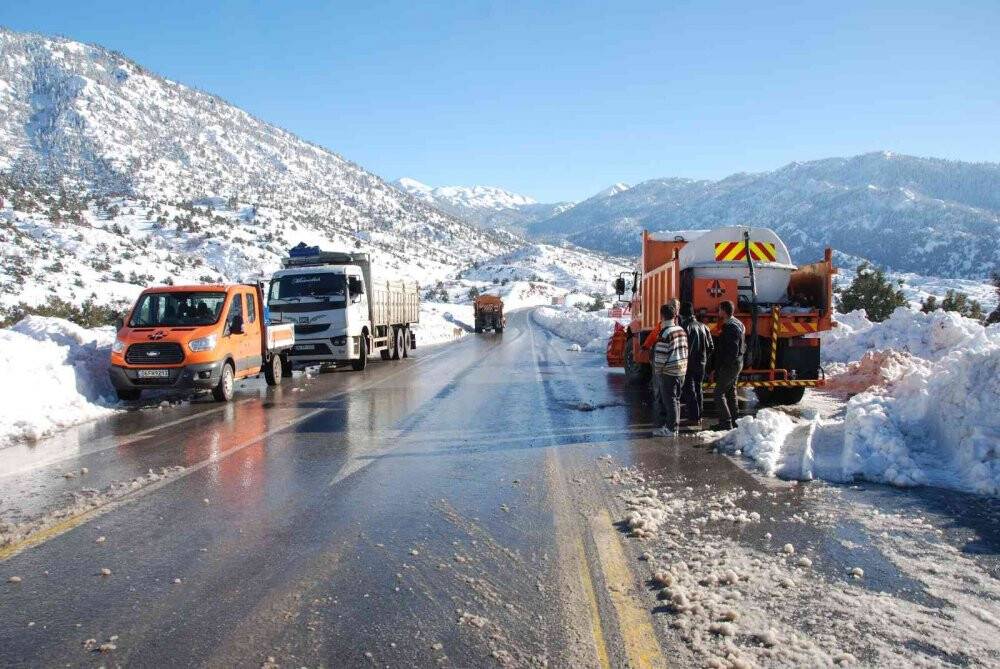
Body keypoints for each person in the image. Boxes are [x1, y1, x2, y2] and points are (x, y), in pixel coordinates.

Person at [652, 303, 688, 437]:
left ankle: (671, 429)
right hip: (681, 370)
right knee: (676, 399)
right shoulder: (681, 330)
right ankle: (674, 427)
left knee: (670, 401)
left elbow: (661, 356)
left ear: (661, 315)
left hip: (669, 372)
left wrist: (657, 371)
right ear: (675, 315)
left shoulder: (665, 332)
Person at [679, 301, 713, 431]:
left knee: (689, 390)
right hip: (701, 363)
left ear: (682, 314)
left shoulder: (685, 327)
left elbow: (684, 348)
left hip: (689, 363)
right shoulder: (704, 326)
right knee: (698, 389)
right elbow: (711, 346)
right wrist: (704, 358)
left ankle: (693, 417)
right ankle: (699, 416)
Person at [711, 300, 745, 430]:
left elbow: (731, 349)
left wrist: (722, 366)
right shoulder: (738, 323)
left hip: (731, 365)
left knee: (718, 393)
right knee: (731, 391)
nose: (718, 312)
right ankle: (735, 420)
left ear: (724, 312)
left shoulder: (730, 327)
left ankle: (725, 423)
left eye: (719, 309)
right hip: (738, 362)